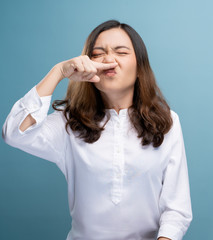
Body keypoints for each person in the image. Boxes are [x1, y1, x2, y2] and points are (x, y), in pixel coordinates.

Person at [2, 20, 192, 240]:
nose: (109, 60)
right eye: (98, 53)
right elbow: (14, 133)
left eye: (121, 52)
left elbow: (177, 209)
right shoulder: (69, 123)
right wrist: (58, 71)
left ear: (140, 68)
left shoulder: (167, 122)